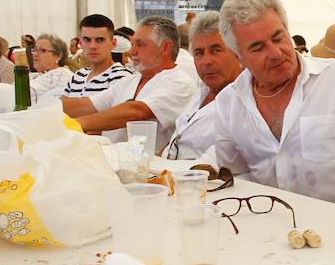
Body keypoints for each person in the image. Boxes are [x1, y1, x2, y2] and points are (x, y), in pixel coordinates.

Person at [213, 0, 335, 208]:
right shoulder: (229, 103)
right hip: (270, 227)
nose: (275, 53)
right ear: (239, 57)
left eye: (278, 38)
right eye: (257, 47)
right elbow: (236, 174)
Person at [62, 16, 196, 152]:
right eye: (133, 44)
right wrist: (46, 111)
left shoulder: (180, 82)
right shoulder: (130, 81)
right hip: (113, 163)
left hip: (151, 169)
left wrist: (75, 124)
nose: (132, 52)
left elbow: (137, 111)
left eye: (140, 44)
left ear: (166, 48)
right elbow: (87, 105)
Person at [164, 11, 243, 161]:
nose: (206, 61)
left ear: (237, 52)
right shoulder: (203, 91)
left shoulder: (247, 100)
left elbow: (210, 165)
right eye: (199, 53)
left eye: (216, 50)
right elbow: (176, 144)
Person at [62, 15, 133, 99]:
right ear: (80, 43)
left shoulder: (122, 77)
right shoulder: (78, 75)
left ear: (113, 44)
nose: (92, 46)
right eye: (87, 40)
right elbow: (61, 109)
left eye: (99, 40)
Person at [28, 33, 74, 102]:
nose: (35, 54)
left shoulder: (64, 76)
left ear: (58, 56)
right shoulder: (35, 75)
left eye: (42, 50)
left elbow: (61, 105)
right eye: (35, 50)